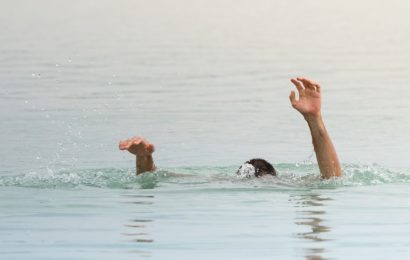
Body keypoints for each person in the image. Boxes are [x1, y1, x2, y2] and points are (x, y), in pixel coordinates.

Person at [119, 77, 342, 179]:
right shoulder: (286, 183)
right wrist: (315, 120)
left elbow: (156, 178)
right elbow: (332, 177)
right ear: (272, 176)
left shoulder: (217, 180)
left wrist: (144, 160)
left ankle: (143, 157)